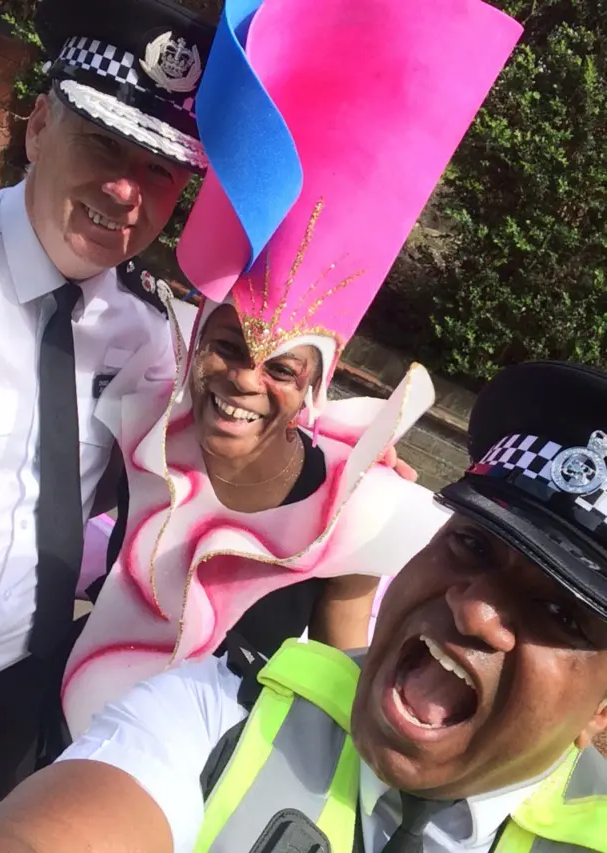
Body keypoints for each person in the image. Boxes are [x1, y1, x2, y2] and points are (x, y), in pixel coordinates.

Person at [59, 0, 522, 744]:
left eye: (282, 367)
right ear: (195, 341)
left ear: (314, 387)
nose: (244, 380)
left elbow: (335, 706)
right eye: (229, 347)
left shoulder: (353, 511)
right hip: (57, 744)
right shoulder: (144, 420)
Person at [0, 369, 607, 851]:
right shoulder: (218, 716)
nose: (474, 610)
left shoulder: (355, 497)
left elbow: (345, 620)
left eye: (559, 611)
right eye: (471, 545)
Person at [0, 0, 218, 821]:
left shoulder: (148, 333)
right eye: (105, 143)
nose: (125, 190)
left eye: (160, 170)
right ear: (39, 125)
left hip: (13, 698)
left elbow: (202, 482)